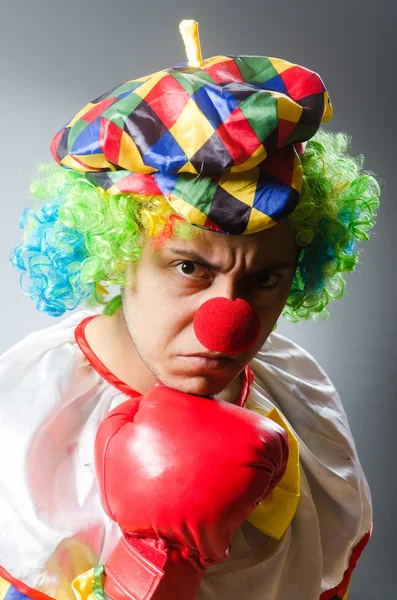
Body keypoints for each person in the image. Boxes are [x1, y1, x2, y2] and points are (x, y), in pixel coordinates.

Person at [0, 19, 380, 600]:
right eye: (189, 268)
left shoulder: (300, 398)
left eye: (265, 277)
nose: (228, 320)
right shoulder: (23, 410)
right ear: (118, 251)